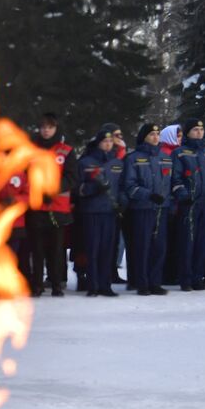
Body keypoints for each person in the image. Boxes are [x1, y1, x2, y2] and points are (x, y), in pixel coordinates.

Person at [171, 117, 205, 291]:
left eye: (201, 130)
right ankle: (186, 278)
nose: (199, 133)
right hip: (190, 203)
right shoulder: (180, 153)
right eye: (195, 130)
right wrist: (182, 193)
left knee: (203, 243)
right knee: (188, 242)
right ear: (188, 132)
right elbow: (176, 178)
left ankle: (198, 277)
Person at [26, 113, 76, 297]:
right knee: (37, 249)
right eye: (43, 127)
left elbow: (72, 178)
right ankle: (37, 284)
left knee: (56, 250)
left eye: (50, 127)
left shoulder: (66, 151)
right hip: (37, 207)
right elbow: (25, 176)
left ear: (56, 129)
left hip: (58, 208)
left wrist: (52, 190)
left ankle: (56, 284)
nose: (46, 130)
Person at [120, 124, 172, 296]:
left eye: (157, 134)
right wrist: (147, 195)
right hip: (142, 208)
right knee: (142, 246)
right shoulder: (133, 158)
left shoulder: (165, 158)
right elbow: (129, 185)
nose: (156, 137)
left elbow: (169, 183)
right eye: (152, 134)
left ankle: (155, 281)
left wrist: (168, 200)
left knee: (159, 247)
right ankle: (141, 282)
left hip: (161, 209)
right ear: (144, 137)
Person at [76, 125, 126, 297]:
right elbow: (77, 189)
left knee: (107, 249)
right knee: (93, 249)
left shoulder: (117, 163)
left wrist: (122, 203)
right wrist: (93, 189)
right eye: (105, 141)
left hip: (110, 212)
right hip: (92, 211)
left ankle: (105, 285)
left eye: (111, 141)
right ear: (98, 143)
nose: (108, 144)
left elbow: (121, 187)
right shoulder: (85, 162)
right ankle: (92, 285)